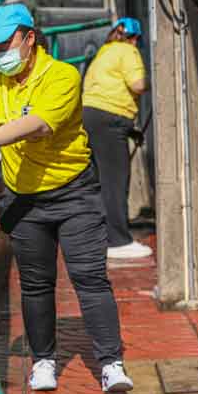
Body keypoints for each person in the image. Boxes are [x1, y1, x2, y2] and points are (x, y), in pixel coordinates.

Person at [0, 4, 134, 394]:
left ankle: (111, 364)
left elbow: (39, 124)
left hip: (73, 192)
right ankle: (43, 361)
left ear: (29, 38)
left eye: (3, 44)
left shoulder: (61, 75)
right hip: (24, 198)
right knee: (36, 283)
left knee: (89, 278)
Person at [82, 17, 152, 259]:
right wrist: (153, 83)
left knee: (99, 180)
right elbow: (137, 84)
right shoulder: (128, 51)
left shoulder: (105, 51)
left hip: (91, 117)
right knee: (115, 181)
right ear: (135, 38)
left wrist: (130, 130)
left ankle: (98, 234)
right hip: (110, 119)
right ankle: (118, 241)